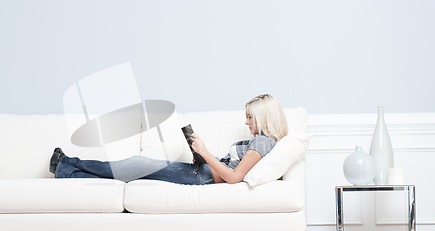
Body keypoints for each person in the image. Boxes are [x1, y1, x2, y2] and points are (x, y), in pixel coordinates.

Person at [50, 94, 288, 185]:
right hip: (202, 170)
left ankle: (66, 163)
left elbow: (234, 177)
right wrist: (201, 154)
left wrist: (205, 153)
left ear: (263, 116)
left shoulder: (263, 143)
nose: (246, 123)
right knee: (131, 170)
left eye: (250, 117)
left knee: (133, 164)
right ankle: (66, 170)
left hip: (201, 176)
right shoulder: (262, 141)